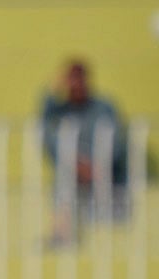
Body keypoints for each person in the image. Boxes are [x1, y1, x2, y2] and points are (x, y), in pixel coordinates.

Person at [40, 58, 129, 246]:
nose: (75, 84)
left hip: (105, 172)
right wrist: (52, 92)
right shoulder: (61, 111)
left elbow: (118, 141)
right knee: (63, 183)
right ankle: (62, 235)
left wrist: (97, 166)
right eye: (71, 79)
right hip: (74, 172)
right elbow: (44, 131)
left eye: (79, 78)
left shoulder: (103, 108)